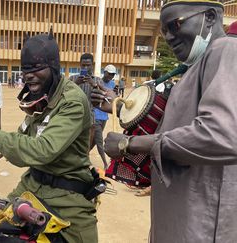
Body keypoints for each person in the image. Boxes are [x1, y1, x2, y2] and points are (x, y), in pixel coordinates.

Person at [101, 1, 237, 241]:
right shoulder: (196, 66)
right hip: (183, 218)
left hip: (201, 225)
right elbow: (181, 127)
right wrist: (119, 110)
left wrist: (129, 145)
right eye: (164, 30)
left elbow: (223, 135)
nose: (169, 36)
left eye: (175, 25)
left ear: (210, 17)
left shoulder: (225, 50)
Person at [0, 32, 98, 242]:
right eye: (25, 70)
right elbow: (28, 130)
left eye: (36, 69)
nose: (29, 75)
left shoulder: (72, 101)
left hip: (67, 196)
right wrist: (6, 144)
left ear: (54, 67)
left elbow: (42, 150)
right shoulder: (42, 95)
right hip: (31, 185)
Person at [69, 53, 99, 158]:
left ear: (93, 65)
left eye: (88, 65)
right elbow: (63, 94)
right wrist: (76, 84)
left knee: (87, 145)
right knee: (72, 143)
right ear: (80, 65)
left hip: (90, 118)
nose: (86, 68)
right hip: (73, 117)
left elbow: (103, 98)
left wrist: (94, 85)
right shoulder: (72, 79)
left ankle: (84, 163)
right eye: (83, 65)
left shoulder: (97, 80)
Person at [92, 64, 116, 169]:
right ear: (104, 72)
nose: (110, 76)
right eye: (109, 74)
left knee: (95, 140)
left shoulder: (113, 84)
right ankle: (106, 164)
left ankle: (84, 154)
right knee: (99, 140)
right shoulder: (97, 82)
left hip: (104, 117)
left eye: (113, 74)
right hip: (96, 115)